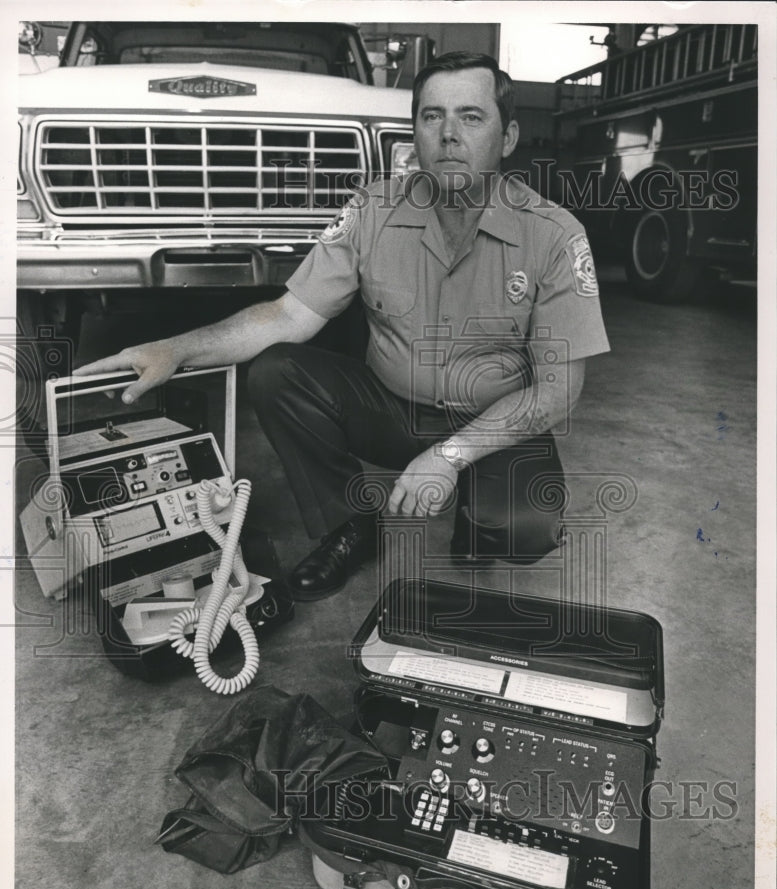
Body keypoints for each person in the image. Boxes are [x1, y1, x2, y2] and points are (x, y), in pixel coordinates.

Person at [75, 52, 609, 601]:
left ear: (509, 135)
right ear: (416, 131)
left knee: (524, 529)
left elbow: (557, 393)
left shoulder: (554, 235)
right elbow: (286, 316)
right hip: (392, 410)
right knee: (278, 371)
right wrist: (176, 348)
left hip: (493, 421)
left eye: (471, 117)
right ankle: (351, 526)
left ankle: (478, 506)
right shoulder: (373, 211)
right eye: (432, 117)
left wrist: (449, 457)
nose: (449, 135)